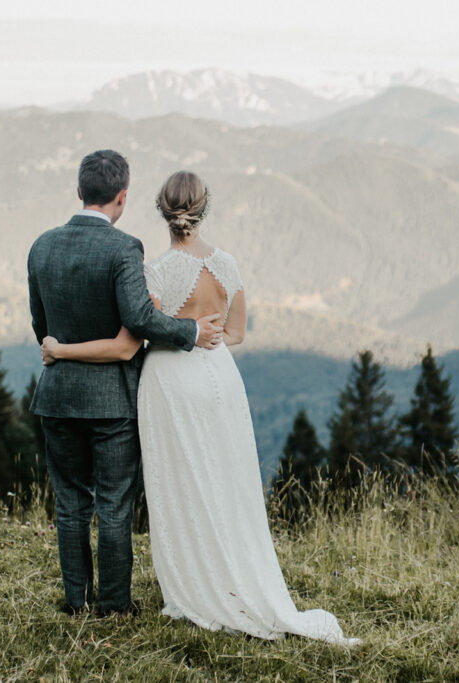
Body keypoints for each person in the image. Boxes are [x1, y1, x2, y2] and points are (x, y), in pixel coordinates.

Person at [41, 170, 359, 645]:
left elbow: (141, 331)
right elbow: (236, 333)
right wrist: (206, 339)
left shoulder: (157, 270)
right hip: (220, 379)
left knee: (180, 484)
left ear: (162, 212)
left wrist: (177, 336)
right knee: (224, 480)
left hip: (170, 380)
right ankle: (235, 576)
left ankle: (192, 586)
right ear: (203, 209)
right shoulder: (227, 264)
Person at [27, 151, 225, 616]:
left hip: (56, 395)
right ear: (122, 197)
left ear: (79, 191)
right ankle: (114, 605)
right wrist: (192, 333)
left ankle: (76, 602)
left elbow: (42, 326)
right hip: (111, 402)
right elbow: (138, 318)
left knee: (70, 504)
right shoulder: (123, 248)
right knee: (115, 504)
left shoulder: (41, 246)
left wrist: (60, 349)